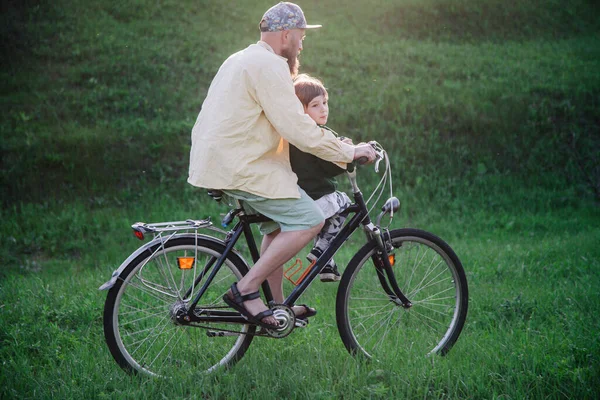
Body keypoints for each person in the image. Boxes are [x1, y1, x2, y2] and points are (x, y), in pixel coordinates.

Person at [188, 2, 376, 329]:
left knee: (275, 227)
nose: (302, 44)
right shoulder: (270, 65)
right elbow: (299, 129)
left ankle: (276, 304)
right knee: (309, 220)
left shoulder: (240, 58)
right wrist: (349, 151)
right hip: (242, 167)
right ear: (286, 34)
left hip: (217, 160)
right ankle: (245, 289)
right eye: (301, 37)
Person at [290, 74, 352, 282]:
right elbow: (330, 167)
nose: (323, 109)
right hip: (318, 196)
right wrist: (348, 153)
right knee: (344, 202)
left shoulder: (293, 134)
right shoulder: (317, 135)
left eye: (325, 103)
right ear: (301, 110)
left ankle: (327, 264)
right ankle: (321, 250)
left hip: (302, 198)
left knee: (327, 220)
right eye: (315, 105)